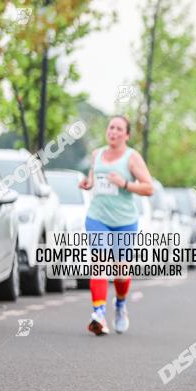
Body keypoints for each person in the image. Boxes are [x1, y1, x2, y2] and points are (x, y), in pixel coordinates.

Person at [78, 115, 153, 336]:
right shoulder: (97, 155)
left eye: (119, 129)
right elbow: (94, 178)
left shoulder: (132, 158)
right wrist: (87, 183)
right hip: (97, 217)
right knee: (99, 262)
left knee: (121, 271)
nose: (114, 132)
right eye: (111, 127)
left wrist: (125, 184)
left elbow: (149, 188)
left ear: (127, 135)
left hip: (124, 222)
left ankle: (120, 305)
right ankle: (98, 314)